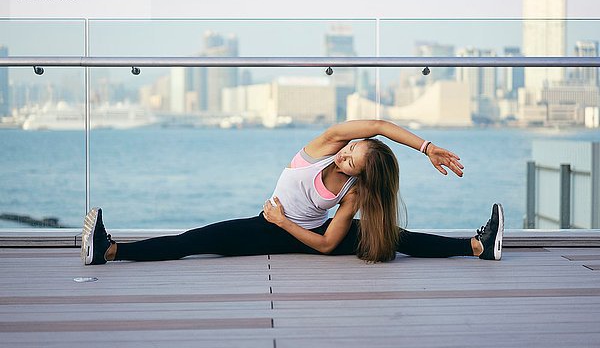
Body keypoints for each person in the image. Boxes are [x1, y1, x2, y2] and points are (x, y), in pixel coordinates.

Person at [81, 119, 504, 266]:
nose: (344, 158)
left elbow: (323, 246)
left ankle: (478, 247)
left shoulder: (354, 194)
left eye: (351, 162)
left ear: (361, 176)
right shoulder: (325, 146)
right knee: (197, 239)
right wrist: (427, 148)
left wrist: (283, 222)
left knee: (394, 238)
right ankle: (111, 251)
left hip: (288, 229)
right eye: (351, 150)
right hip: (267, 227)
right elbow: (378, 126)